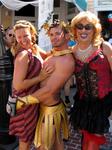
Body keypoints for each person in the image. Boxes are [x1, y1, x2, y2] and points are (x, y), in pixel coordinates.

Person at [14, 20, 75, 150]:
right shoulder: (53, 53)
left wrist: (22, 101)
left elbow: (49, 90)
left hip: (49, 111)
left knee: (43, 146)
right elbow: (41, 56)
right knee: (56, 144)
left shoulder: (66, 60)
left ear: (66, 35)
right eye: (51, 34)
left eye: (57, 33)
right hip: (42, 107)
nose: (53, 37)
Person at [7, 20, 53, 150]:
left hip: (33, 100)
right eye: (19, 37)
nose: (22, 40)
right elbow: (18, 85)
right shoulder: (23, 54)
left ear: (32, 33)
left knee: (30, 138)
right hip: (24, 103)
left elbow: (49, 55)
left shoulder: (34, 48)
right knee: (25, 141)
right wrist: (40, 77)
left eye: (25, 35)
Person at [70, 11, 112, 150]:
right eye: (79, 26)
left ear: (95, 30)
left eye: (88, 27)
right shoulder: (71, 51)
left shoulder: (104, 47)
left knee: (93, 142)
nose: (83, 30)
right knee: (86, 140)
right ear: (74, 30)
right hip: (82, 104)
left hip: (103, 102)